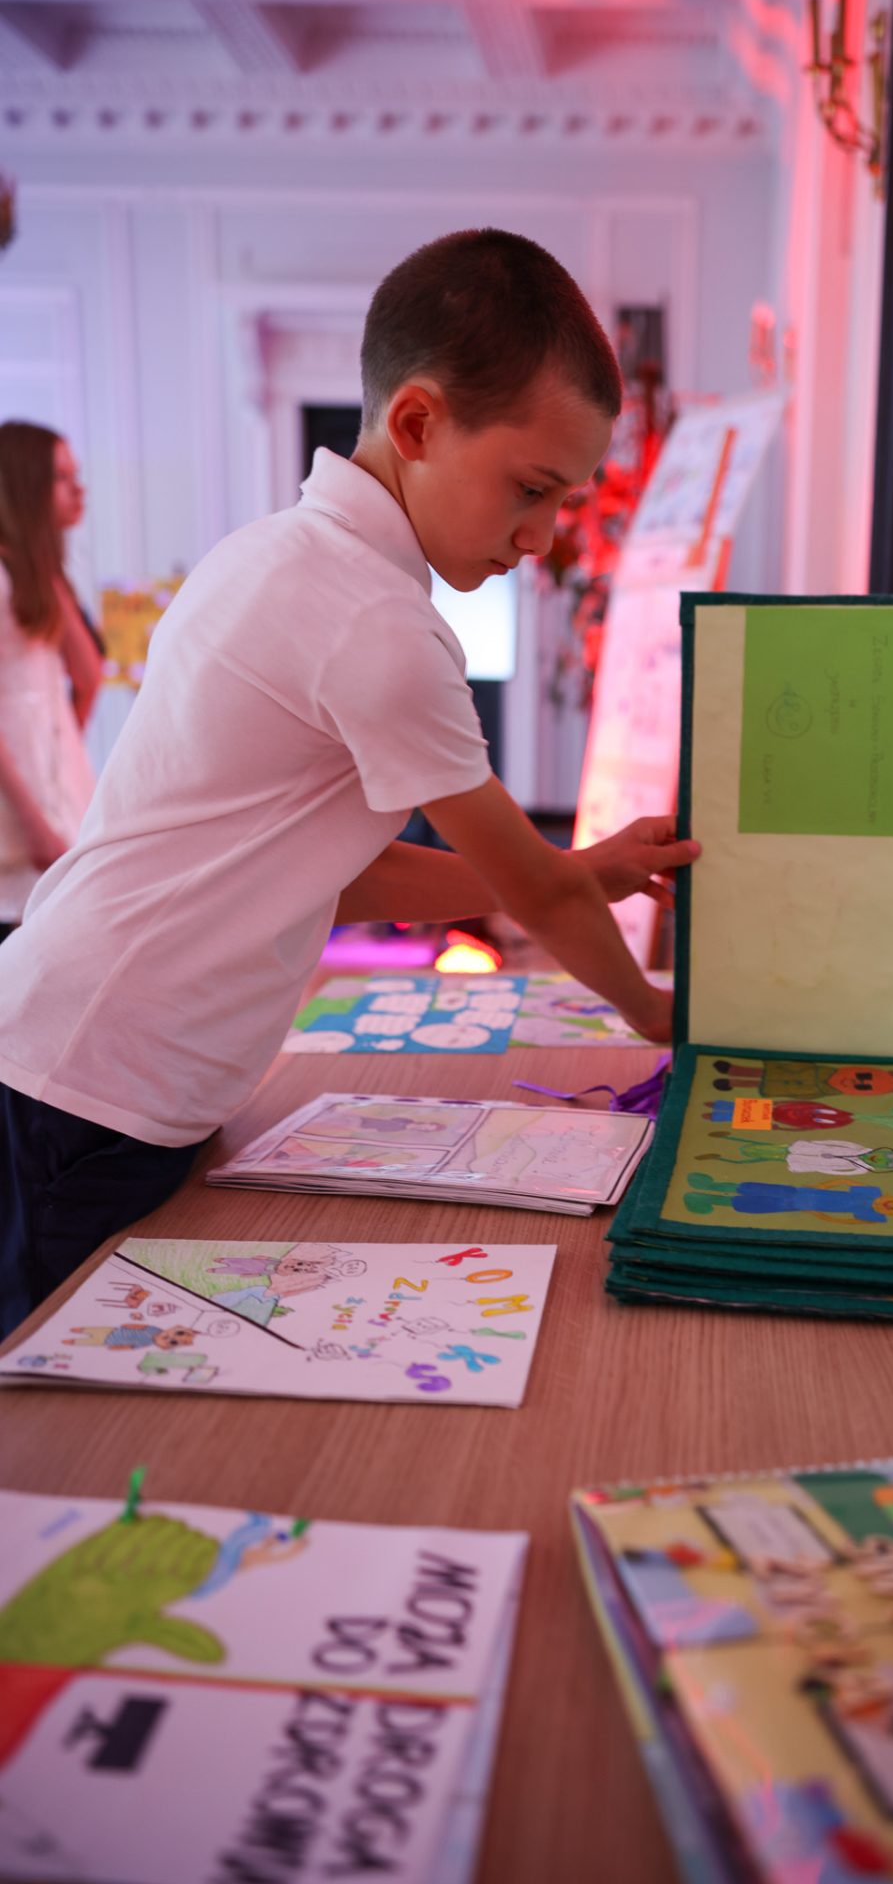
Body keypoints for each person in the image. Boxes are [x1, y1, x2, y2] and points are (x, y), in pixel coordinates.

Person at [0, 229, 699, 1335]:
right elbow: (536, 896)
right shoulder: (372, 619)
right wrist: (659, 1013)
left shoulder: (280, 554)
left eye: (564, 499)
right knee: (58, 1392)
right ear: (417, 424)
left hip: (79, 1047)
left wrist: (575, 869)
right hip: (95, 1079)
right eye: (531, 488)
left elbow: (338, 873)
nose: (542, 537)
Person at [0, 422, 102, 940]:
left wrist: (61, 758)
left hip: (50, 786)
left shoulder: (41, 576)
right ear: (26, 483)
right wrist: (33, 817)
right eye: (62, 477)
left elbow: (88, 673)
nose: (78, 490)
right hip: (14, 800)